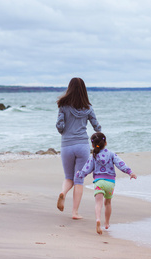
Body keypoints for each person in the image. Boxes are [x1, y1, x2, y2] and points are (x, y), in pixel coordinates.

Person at [56, 77, 101, 219]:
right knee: (79, 180)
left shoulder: (63, 106)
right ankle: (75, 212)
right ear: (84, 90)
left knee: (69, 177)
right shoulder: (88, 108)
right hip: (82, 146)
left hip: (67, 145)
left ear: (69, 89)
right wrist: (99, 143)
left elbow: (60, 127)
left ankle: (63, 192)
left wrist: (63, 124)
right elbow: (97, 127)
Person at [76, 132, 137, 234]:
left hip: (99, 182)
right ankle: (107, 223)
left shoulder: (94, 156)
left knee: (98, 203)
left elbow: (87, 169)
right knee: (108, 203)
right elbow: (120, 164)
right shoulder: (111, 154)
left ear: (93, 145)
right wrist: (130, 172)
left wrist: (80, 174)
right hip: (110, 183)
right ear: (106, 143)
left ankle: (98, 220)